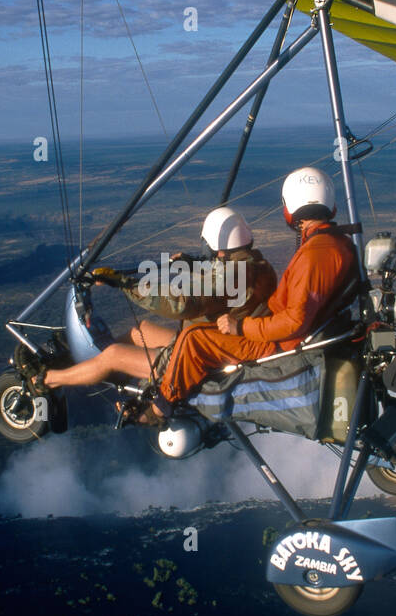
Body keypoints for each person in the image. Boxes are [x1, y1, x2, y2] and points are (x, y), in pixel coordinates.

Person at [138, 166, 358, 425]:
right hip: (286, 335)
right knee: (201, 331)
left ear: (291, 206)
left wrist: (241, 325)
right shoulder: (338, 243)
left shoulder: (317, 252)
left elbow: (294, 321)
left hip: (279, 344)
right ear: (330, 206)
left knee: (193, 338)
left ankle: (161, 408)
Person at [36, 207, 276, 393]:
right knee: (140, 331)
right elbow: (220, 286)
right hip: (212, 344)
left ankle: (45, 381)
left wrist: (126, 284)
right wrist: (194, 264)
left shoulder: (235, 273)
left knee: (113, 354)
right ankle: (100, 369)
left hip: (202, 360)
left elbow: (181, 304)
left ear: (215, 245)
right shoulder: (254, 264)